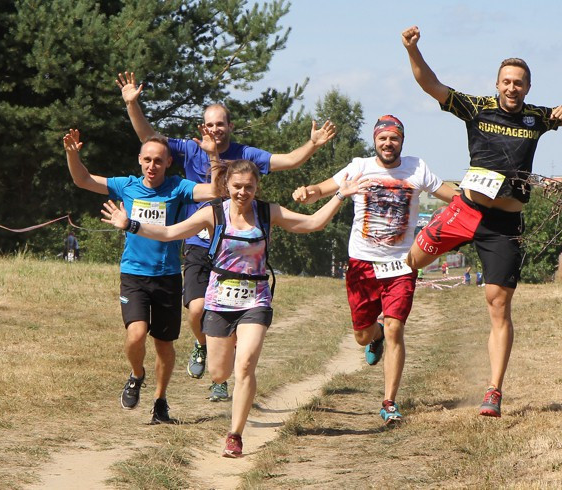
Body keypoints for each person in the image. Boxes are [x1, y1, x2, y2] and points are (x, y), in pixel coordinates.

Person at [100, 159, 368, 457]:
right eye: (237, 186)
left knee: (245, 366)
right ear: (226, 185)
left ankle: (235, 435)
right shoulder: (212, 213)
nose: (243, 192)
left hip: (256, 300)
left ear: (257, 187)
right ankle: (223, 367)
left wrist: (340, 195)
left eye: (249, 187)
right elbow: (169, 233)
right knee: (219, 373)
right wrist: (130, 224)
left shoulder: (268, 212)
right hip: (219, 303)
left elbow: (312, 223)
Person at [116, 72, 337, 401]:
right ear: (202, 127)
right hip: (198, 244)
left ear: (230, 127)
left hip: (235, 250)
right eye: (209, 124)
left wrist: (313, 145)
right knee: (196, 309)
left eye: (221, 124)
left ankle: (220, 366)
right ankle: (202, 345)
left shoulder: (246, 155)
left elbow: (290, 160)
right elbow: (149, 137)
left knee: (229, 311)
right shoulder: (190, 149)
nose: (215, 130)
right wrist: (133, 104)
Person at [401, 26, 562, 417]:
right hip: (465, 211)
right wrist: (413, 50)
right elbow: (430, 84)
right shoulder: (476, 107)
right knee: (410, 262)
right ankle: (387, 327)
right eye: (506, 82)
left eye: (519, 83)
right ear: (497, 84)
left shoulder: (537, 117)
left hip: (504, 226)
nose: (512, 88)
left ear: (528, 88)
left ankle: (493, 391)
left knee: (498, 304)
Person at [293, 115, 457, 426]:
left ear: (401, 142)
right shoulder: (358, 167)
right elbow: (323, 188)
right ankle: (375, 334)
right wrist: (307, 192)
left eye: (394, 138)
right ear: (375, 141)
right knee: (361, 335)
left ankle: (389, 402)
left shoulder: (417, 168)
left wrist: (477, 205)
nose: (388, 143)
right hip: (362, 264)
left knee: (397, 327)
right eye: (383, 138)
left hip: (401, 265)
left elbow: (454, 196)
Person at [63, 129, 216, 425]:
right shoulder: (126, 186)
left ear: (168, 162)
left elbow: (214, 191)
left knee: (163, 344)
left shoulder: (178, 187)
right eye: (147, 159)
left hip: (168, 277)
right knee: (135, 334)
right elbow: (83, 179)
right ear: (139, 160)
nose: (152, 166)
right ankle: (137, 374)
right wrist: (72, 154)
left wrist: (212, 155)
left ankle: (160, 402)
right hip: (134, 274)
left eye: (158, 160)